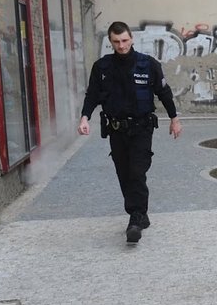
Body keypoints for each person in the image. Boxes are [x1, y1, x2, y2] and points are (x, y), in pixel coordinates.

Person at [78, 22, 182, 244]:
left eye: (124, 41)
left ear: (131, 38)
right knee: (124, 174)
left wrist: (174, 119)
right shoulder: (102, 67)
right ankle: (139, 215)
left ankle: (135, 217)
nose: (121, 45)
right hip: (116, 130)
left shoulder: (148, 65)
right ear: (111, 41)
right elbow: (92, 95)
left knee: (137, 171)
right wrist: (84, 117)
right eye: (116, 42)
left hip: (141, 128)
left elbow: (164, 93)